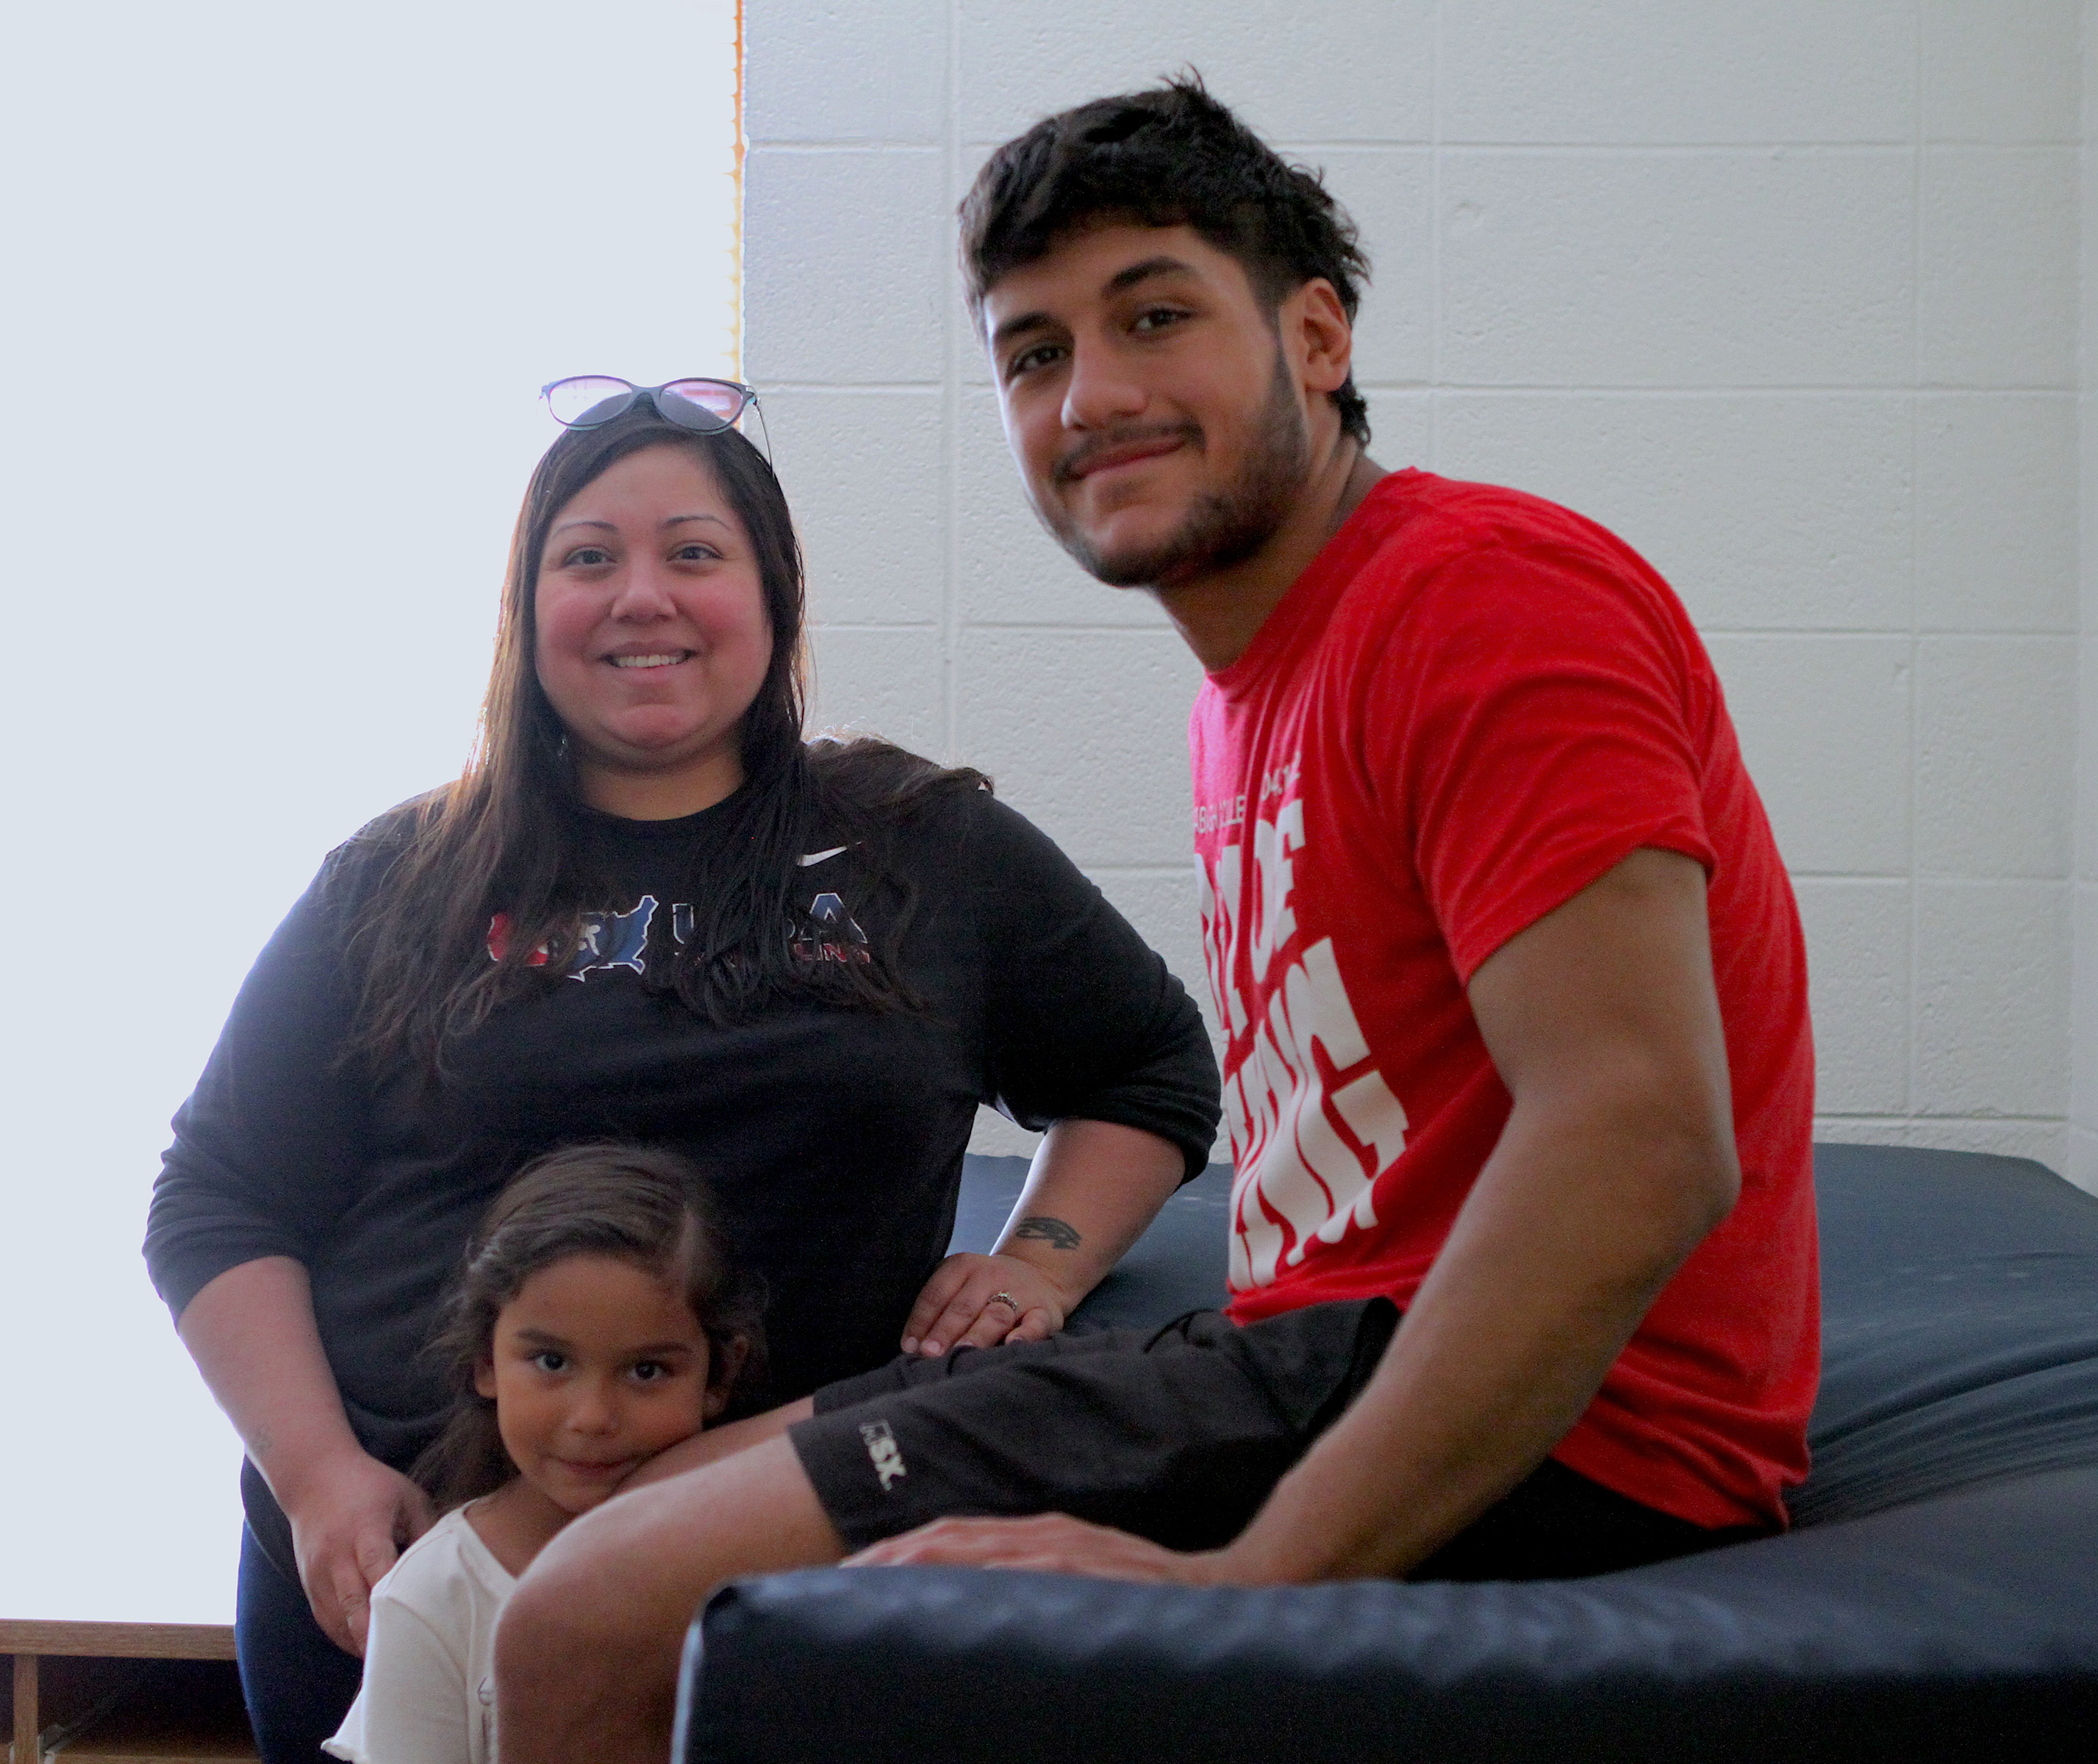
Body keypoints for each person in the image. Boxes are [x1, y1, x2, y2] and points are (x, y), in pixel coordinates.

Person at [492, 81, 1819, 1764]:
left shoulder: (1480, 598)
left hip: (1581, 1438)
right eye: (1035, 351)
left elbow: (1637, 1137)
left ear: (1316, 333)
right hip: (1296, 1351)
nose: (1092, 394)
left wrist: (1253, 1577)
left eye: (1155, 316)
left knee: (587, 1619)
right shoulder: (1252, 689)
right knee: (593, 1510)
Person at [142, 378, 1220, 1764]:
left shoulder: (924, 848)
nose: (640, 596)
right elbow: (219, 1199)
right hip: (411, 1569)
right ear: (529, 612)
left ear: (771, 600)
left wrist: (1046, 1261)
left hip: (788, 1573)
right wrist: (316, 1479)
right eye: (588, 557)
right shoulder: (399, 876)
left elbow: (1149, 1070)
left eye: (694, 554)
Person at [321, 1142, 762, 1764]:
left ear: (718, 1375)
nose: (593, 1419)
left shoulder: (763, 1568)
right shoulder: (434, 1597)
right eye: (552, 1362)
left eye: (646, 1370)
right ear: (485, 1362)